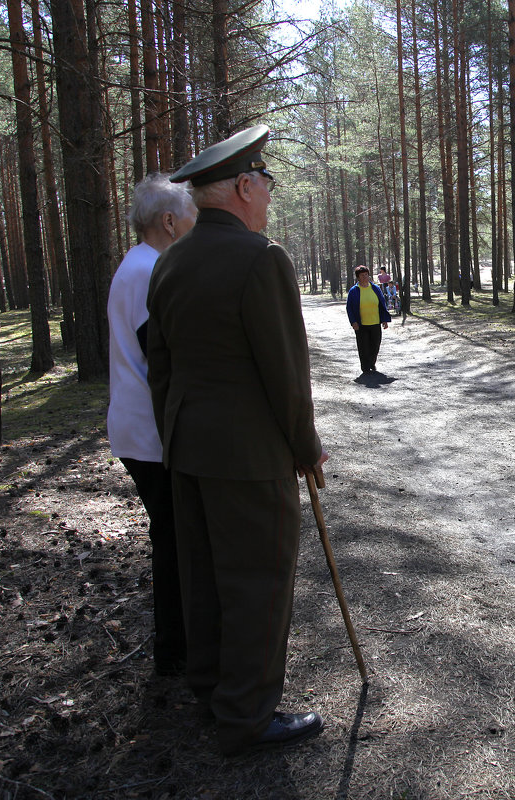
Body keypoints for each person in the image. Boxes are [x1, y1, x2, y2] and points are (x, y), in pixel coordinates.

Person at [145, 125, 329, 755]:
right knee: (256, 582)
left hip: (187, 449)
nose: (270, 196)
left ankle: (210, 690)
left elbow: (160, 369)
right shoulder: (260, 258)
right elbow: (286, 371)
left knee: (205, 579)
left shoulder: (172, 261)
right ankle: (246, 716)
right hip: (250, 457)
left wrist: (175, 437)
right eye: (267, 183)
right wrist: (305, 447)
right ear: (245, 186)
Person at [107, 173, 196, 677]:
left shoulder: (139, 265)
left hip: (141, 427)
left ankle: (176, 643)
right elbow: (158, 356)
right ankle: (175, 648)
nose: (193, 223)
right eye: (190, 216)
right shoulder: (148, 270)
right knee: (173, 539)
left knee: (171, 536)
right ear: (168, 221)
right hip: (149, 430)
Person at [346, 265, 391, 374]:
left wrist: (384, 319)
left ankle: (371, 362)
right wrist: (353, 322)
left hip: (375, 322)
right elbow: (349, 307)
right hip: (361, 324)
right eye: (362, 275)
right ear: (358, 277)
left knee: (375, 345)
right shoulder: (354, 291)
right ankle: (365, 367)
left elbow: (381, 304)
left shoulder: (375, 288)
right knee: (363, 347)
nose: (365, 277)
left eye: (366, 275)